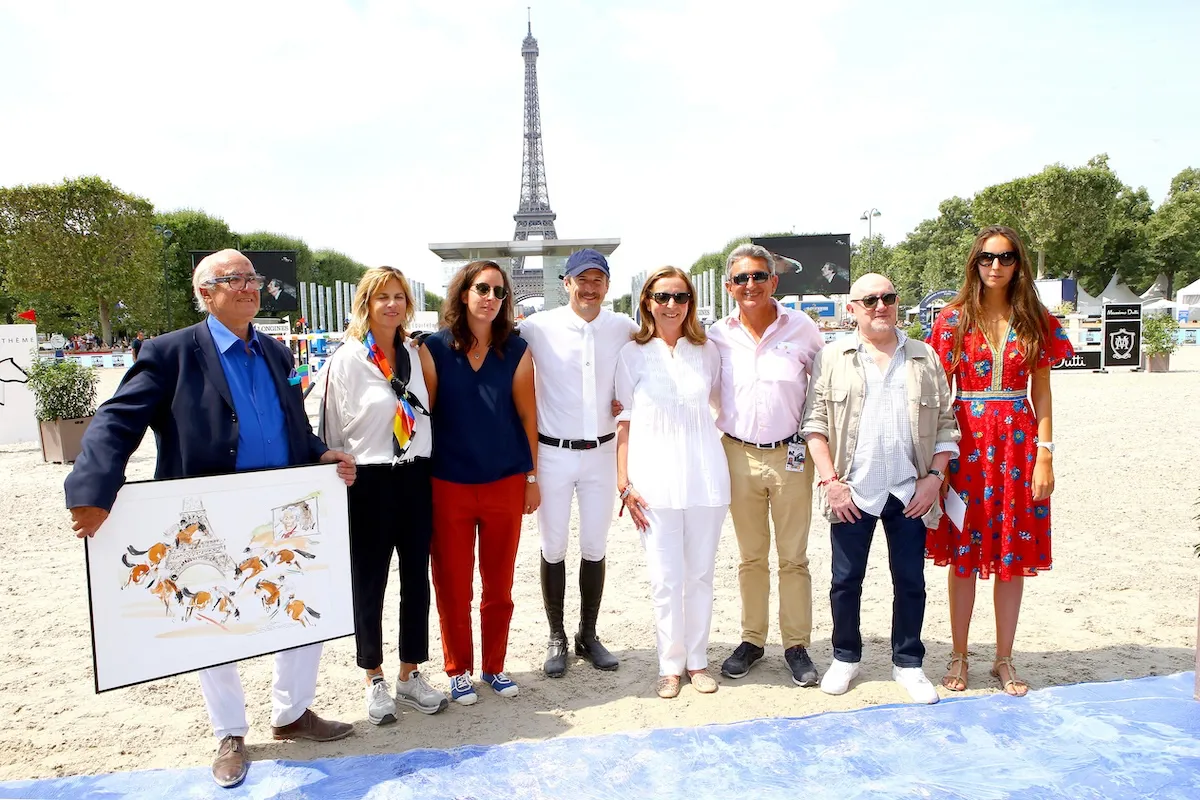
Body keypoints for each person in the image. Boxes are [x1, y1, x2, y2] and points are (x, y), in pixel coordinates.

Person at [63, 249, 357, 789]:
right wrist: (91, 489)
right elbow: (116, 420)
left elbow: (294, 425)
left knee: (301, 599)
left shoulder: (277, 353)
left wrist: (320, 453)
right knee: (212, 616)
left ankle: (293, 712)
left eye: (253, 278)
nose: (249, 286)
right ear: (205, 293)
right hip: (208, 509)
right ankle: (230, 732)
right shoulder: (169, 352)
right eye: (234, 279)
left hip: (278, 502)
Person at [925, 225, 1074, 696]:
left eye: (1006, 257)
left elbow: (1042, 391)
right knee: (964, 555)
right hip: (966, 445)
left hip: (1017, 445)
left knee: (1012, 553)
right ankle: (959, 653)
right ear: (974, 263)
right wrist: (939, 460)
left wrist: (1046, 454)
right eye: (986, 257)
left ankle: (1004, 657)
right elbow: (939, 393)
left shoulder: (1035, 318)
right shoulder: (952, 319)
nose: (995, 266)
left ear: (1018, 263)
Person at [801, 272, 959, 705]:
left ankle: (908, 663)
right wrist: (831, 483)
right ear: (852, 308)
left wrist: (934, 479)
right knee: (845, 581)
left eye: (887, 297)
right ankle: (845, 657)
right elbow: (814, 424)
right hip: (852, 491)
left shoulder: (924, 356)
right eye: (869, 300)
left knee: (910, 581)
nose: (880, 306)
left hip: (910, 491)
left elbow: (946, 424)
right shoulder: (832, 358)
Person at [317, 266, 448, 726]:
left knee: (416, 579)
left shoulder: (415, 351)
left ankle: (410, 673)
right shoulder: (347, 359)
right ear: (366, 304)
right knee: (369, 582)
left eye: (399, 296)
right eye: (382, 297)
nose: (392, 305)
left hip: (415, 476)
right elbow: (332, 428)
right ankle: (372, 674)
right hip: (369, 478)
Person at [421, 260, 539, 705]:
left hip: (504, 481)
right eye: (483, 289)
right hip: (448, 482)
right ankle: (458, 669)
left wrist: (532, 477)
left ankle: (494, 664)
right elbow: (424, 419)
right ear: (463, 293)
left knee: (499, 584)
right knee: (452, 584)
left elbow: (528, 416)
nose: (491, 298)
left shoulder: (517, 349)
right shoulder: (432, 349)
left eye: (499, 292)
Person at [707, 244, 825, 687]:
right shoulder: (717, 335)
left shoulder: (803, 328)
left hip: (791, 455)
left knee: (794, 558)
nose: (750, 285)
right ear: (728, 286)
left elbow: (824, 386)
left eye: (759, 276)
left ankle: (796, 645)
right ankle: (752, 641)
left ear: (774, 281)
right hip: (736, 455)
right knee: (751, 557)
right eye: (741, 278)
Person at [518, 248, 636, 678]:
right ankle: (557, 635)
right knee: (552, 546)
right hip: (553, 453)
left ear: (607, 285)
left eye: (597, 280)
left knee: (594, 545)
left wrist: (630, 398)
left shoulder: (623, 327)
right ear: (566, 283)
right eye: (581, 280)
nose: (589, 288)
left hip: (602, 453)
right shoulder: (537, 327)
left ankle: (588, 633)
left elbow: (656, 355)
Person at [615, 266, 729, 699]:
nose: (671, 305)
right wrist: (624, 482)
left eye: (680, 297)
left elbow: (719, 406)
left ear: (690, 303)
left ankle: (697, 661)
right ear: (647, 301)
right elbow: (623, 422)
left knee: (700, 576)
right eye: (662, 296)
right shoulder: (632, 354)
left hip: (706, 478)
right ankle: (669, 665)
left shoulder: (707, 351)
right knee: (665, 579)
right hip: (653, 481)